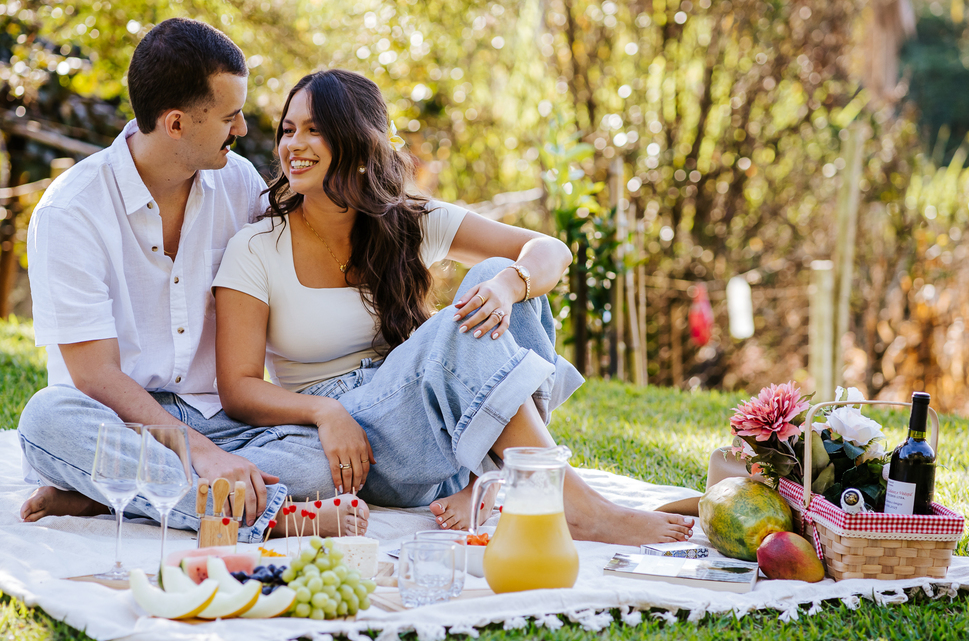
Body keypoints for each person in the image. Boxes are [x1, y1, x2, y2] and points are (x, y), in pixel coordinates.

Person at [213, 68, 695, 544]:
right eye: (288, 129)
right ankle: (532, 486)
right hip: (341, 441)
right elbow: (237, 387)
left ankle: (535, 491)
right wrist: (325, 412)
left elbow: (551, 251)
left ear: (360, 141)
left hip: (419, 425)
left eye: (314, 129)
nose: (293, 144)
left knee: (491, 279)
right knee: (259, 473)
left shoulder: (405, 222)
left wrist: (511, 284)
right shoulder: (258, 247)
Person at [16, 19, 366, 539]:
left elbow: (314, 245)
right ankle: (272, 519)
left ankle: (112, 495)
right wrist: (198, 454)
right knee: (46, 420)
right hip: (119, 421)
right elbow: (93, 376)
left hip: (225, 422)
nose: (244, 129)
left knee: (321, 462)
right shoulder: (71, 210)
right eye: (230, 116)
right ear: (176, 124)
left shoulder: (241, 184)